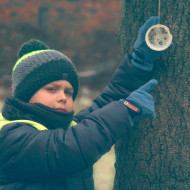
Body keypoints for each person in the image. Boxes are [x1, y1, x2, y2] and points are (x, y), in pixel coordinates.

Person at [0, 16, 171, 190]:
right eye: (52, 89)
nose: (63, 97)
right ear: (26, 94)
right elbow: (67, 149)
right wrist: (127, 109)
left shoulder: (66, 130)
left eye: (68, 92)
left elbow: (105, 103)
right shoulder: (10, 136)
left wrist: (139, 62)